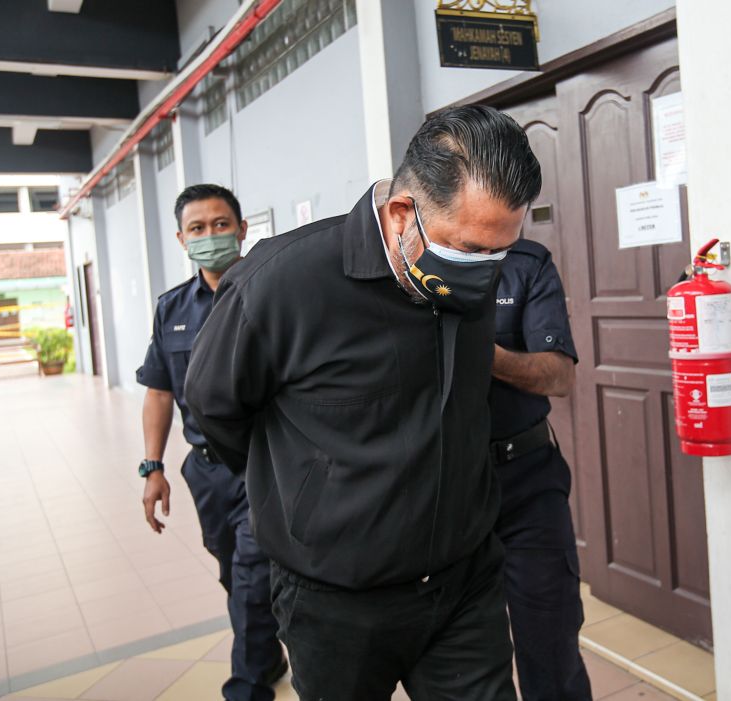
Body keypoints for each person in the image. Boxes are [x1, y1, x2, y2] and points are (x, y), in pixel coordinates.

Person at [184, 105, 541, 701]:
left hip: (463, 581)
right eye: (470, 249)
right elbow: (215, 408)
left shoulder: (466, 267)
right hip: (333, 602)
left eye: (500, 253)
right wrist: (306, 489)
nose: (486, 271)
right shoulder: (281, 284)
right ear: (403, 214)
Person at [135, 184, 286, 701]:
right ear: (182, 238)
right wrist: (151, 466)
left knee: (249, 575)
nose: (210, 236)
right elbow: (158, 392)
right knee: (233, 571)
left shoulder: (276, 294)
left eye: (221, 225)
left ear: (242, 230)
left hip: (266, 464)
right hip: (205, 472)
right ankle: (266, 656)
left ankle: (246, 687)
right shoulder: (171, 308)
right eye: (197, 229)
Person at [490, 239, 592, 700]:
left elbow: (558, 375)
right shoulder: (407, 266)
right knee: (463, 662)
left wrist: (482, 352)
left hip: (528, 482)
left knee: (551, 644)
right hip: (444, 490)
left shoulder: (526, 263)